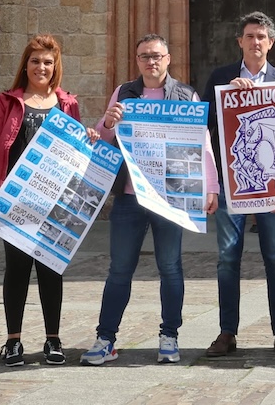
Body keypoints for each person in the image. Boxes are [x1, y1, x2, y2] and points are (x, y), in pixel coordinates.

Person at [80, 34, 220, 366]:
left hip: (171, 197)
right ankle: (105, 340)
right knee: (119, 270)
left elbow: (202, 143)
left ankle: (169, 337)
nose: (150, 61)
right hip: (131, 196)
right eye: (144, 56)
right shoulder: (124, 93)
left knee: (170, 268)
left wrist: (211, 186)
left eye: (156, 56)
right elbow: (103, 135)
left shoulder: (186, 95)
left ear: (168, 59)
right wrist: (107, 122)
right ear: (137, 60)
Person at [0, 35, 96, 366]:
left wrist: (89, 139)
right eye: (36, 61)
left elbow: (76, 153)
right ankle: (13, 341)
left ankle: (53, 339)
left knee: (51, 267)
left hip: (55, 200)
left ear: (56, 68)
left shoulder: (67, 103)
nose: (42, 67)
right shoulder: (8, 102)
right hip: (16, 200)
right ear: (25, 65)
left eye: (48, 62)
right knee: (17, 269)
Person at [200, 12, 275, 357]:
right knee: (228, 258)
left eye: (261, 36)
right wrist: (229, 94)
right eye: (249, 36)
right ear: (240, 41)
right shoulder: (221, 78)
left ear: (270, 42)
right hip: (232, 184)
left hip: (272, 184)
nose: (255, 42)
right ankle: (227, 332)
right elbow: (206, 129)